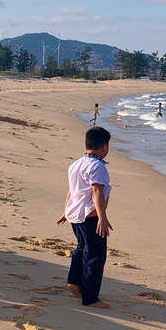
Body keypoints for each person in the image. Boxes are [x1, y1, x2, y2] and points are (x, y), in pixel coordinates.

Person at [56, 126, 113, 308]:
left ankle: (74, 281)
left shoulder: (76, 164)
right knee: (95, 255)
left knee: (82, 248)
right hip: (90, 216)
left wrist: (66, 211)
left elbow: (71, 190)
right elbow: (97, 191)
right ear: (104, 147)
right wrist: (102, 218)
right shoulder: (97, 167)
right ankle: (90, 298)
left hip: (75, 215)